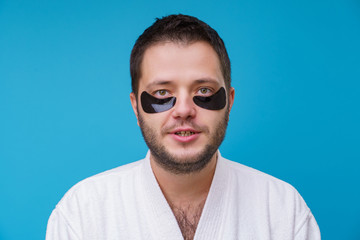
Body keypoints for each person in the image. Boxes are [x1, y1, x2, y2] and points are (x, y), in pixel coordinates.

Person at [46, 14, 320, 240]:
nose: (184, 110)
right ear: (135, 106)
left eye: (204, 90)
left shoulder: (284, 212)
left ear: (230, 101)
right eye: (162, 93)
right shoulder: (81, 215)